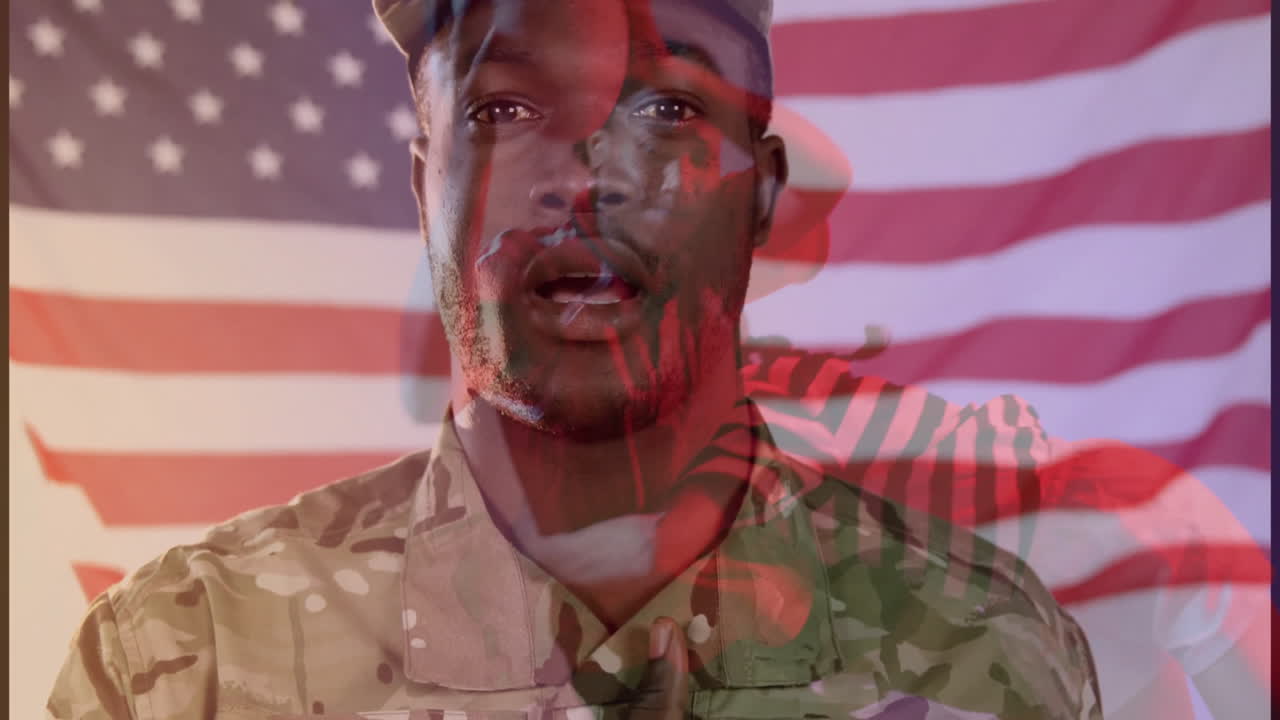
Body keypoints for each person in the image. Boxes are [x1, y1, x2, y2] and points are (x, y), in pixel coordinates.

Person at [46, 1, 1103, 718]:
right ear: (425, 190)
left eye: (664, 110)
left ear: (763, 195)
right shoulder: (188, 662)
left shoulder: (985, 652)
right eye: (504, 111)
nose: (586, 175)